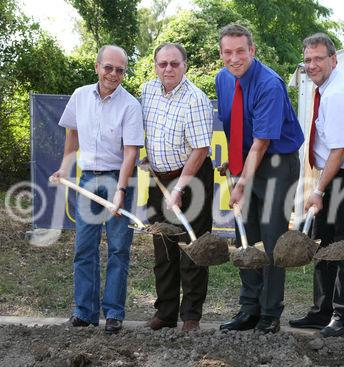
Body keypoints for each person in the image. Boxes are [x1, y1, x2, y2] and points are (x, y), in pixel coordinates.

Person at [289, 33, 344, 338]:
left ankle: (343, 318)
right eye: (308, 60)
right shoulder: (325, 90)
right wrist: (320, 187)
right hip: (336, 173)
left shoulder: (337, 93)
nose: (312, 65)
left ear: (333, 59)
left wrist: (317, 190)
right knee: (323, 243)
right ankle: (322, 312)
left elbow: (339, 150)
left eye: (318, 59)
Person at [216, 24, 304, 334]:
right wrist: (234, 161)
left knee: (271, 242)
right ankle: (248, 309)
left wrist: (241, 182)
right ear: (221, 53)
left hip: (277, 165)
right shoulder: (222, 79)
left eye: (241, 51)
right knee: (245, 239)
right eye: (228, 52)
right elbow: (235, 126)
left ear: (252, 50)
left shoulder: (269, 84)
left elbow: (263, 141)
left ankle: (270, 313)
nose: (234, 58)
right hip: (247, 161)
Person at [51, 45, 144, 333]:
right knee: (85, 248)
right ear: (97, 67)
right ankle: (85, 312)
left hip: (120, 178)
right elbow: (73, 134)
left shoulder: (130, 105)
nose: (113, 74)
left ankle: (114, 313)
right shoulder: (80, 96)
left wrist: (120, 191)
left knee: (118, 249)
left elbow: (131, 152)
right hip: (88, 180)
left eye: (119, 70)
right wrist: (65, 168)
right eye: (108, 67)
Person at [141, 43, 214, 332]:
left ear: (185, 65)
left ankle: (191, 316)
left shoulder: (196, 99)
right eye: (162, 64)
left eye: (174, 63)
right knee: (163, 247)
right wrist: (152, 156)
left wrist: (180, 188)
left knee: (192, 246)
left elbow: (200, 149)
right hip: (159, 179)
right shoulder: (148, 91)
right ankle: (166, 312)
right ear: (156, 65)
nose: (168, 69)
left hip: (192, 178)